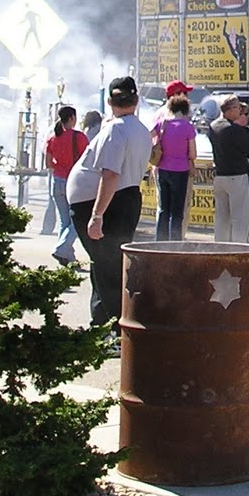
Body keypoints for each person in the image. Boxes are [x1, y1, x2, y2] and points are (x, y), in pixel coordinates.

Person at [67, 77, 153, 336]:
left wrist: (97, 215)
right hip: (122, 200)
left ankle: (117, 330)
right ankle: (101, 324)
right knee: (104, 265)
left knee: (108, 269)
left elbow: (111, 174)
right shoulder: (137, 128)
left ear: (109, 102)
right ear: (135, 101)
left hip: (108, 203)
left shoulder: (117, 129)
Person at [208, 96, 249, 243]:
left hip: (220, 175)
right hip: (236, 176)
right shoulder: (233, 129)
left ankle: (220, 248)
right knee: (240, 218)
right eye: (238, 108)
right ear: (230, 110)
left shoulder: (213, 126)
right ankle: (240, 248)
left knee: (222, 218)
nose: (240, 111)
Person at [150, 94, 198, 240]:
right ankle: (174, 243)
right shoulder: (188, 127)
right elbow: (193, 154)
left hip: (163, 169)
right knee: (177, 212)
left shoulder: (161, 123)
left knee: (164, 209)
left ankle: (160, 242)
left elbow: (148, 137)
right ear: (185, 110)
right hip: (181, 171)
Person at [45, 105, 87, 264]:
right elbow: (87, 159)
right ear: (72, 118)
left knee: (64, 221)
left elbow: (48, 163)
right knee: (78, 220)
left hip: (57, 180)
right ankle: (61, 249)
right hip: (74, 182)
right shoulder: (79, 137)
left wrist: (59, 167)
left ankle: (66, 255)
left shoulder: (52, 137)